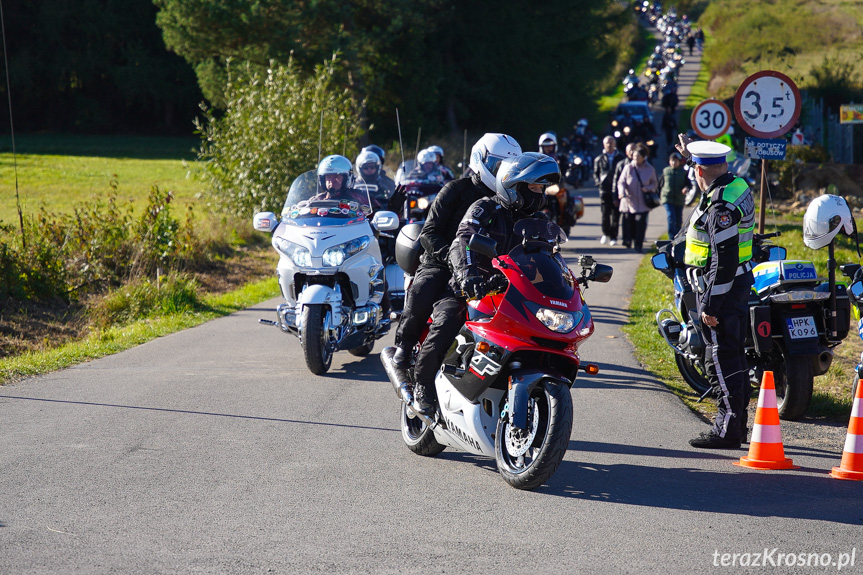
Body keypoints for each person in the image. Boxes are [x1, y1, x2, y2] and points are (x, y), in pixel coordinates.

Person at [408, 152, 560, 415]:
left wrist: (562, 284)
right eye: (534, 187)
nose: (539, 193)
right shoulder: (485, 208)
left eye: (542, 188)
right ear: (514, 186)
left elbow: (550, 258)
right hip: (472, 288)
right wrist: (468, 277)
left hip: (513, 294)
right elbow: (463, 239)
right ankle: (422, 385)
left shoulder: (540, 222)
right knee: (445, 324)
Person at [391, 134, 522, 386]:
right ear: (480, 160)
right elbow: (429, 234)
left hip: (483, 271)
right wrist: (453, 260)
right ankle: (405, 347)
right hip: (439, 263)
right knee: (423, 289)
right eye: (497, 165)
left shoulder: (510, 200)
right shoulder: (455, 190)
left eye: (509, 166)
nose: (502, 171)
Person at [676, 137, 755, 449]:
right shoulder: (736, 185)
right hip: (735, 285)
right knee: (733, 357)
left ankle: (727, 431)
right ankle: (736, 427)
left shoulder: (720, 205)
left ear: (698, 171)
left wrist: (709, 304)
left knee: (720, 361)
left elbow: (723, 260)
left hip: (722, 289)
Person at [617, 143, 657, 252]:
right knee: (629, 223)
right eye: (634, 157)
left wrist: (648, 188)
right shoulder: (628, 167)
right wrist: (621, 193)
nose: (635, 159)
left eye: (638, 157)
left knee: (640, 224)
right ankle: (628, 241)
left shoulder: (649, 169)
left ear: (643, 158)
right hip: (628, 201)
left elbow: (655, 183)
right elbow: (621, 182)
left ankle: (638, 245)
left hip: (642, 203)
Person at [594, 135, 626, 245]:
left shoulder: (621, 158)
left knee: (616, 214)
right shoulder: (599, 159)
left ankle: (614, 236)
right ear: (604, 145)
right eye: (607, 142)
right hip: (605, 191)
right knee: (605, 214)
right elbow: (595, 173)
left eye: (611, 142)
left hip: (617, 190)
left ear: (615, 144)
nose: (609, 144)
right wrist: (599, 184)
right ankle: (605, 234)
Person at [659, 151, 689, 238]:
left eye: (675, 161)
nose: (673, 163)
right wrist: (658, 196)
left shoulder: (683, 172)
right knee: (671, 216)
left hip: (679, 199)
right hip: (667, 198)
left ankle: (678, 236)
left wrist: (686, 188)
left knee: (678, 219)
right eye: (672, 160)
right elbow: (660, 184)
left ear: (679, 162)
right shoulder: (666, 171)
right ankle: (671, 237)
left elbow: (688, 184)